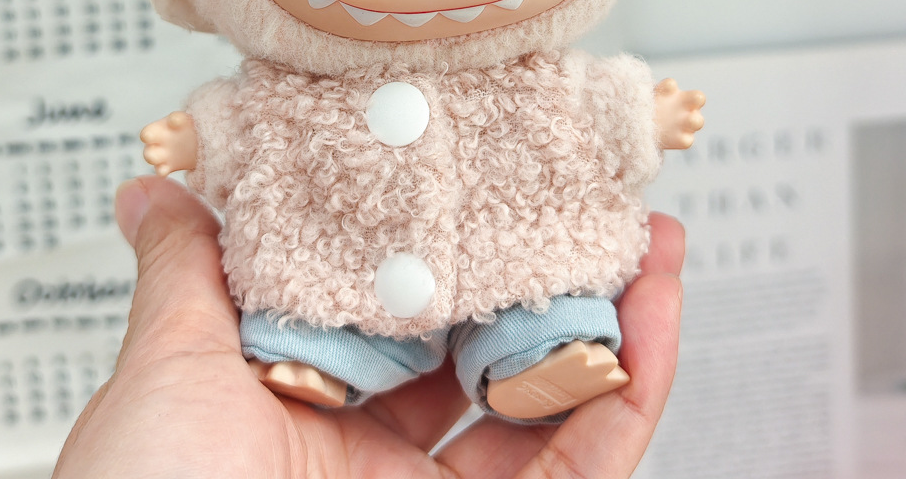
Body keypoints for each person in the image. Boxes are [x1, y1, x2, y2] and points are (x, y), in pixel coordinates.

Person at [52, 176, 685, 478]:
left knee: (537, 276)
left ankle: (539, 358)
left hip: (499, 246)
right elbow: (247, 131)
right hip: (359, 261)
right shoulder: (304, 83)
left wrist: (645, 116)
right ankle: (315, 355)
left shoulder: (535, 73)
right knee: (316, 288)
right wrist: (198, 141)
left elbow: (595, 108)